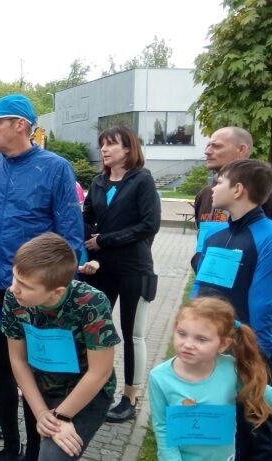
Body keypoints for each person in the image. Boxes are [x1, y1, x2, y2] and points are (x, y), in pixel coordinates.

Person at [0, 94, 84, 461]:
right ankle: (11, 446)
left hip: (35, 292)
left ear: (20, 125)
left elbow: (70, 238)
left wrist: (61, 292)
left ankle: (36, 451)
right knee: (0, 365)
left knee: (36, 370)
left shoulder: (55, 169)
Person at [190, 159, 272, 461]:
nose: (212, 187)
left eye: (219, 181)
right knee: (211, 422)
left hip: (247, 348)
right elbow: (200, 288)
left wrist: (260, 356)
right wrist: (189, 332)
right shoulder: (216, 235)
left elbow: (263, 303)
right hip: (208, 345)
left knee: (253, 428)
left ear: (238, 189)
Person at [4, 233, 120, 460]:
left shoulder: (91, 303)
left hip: (86, 391)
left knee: (53, 455)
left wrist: (62, 416)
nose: (14, 288)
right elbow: (18, 359)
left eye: (25, 285)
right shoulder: (14, 299)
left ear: (57, 291)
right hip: (41, 387)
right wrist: (41, 412)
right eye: (15, 278)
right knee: (35, 451)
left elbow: (100, 371)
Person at [78, 126, 161, 423]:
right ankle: (97, 390)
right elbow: (86, 217)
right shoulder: (98, 181)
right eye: (102, 144)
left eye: (111, 144)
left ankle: (130, 398)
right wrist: (86, 236)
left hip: (133, 269)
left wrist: (104, 240)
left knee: (132, 333)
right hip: (100, 269)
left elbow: (149, 225)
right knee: (95, 331)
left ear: (128, 148)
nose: (104, 149)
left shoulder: (142, 180)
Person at [149, 297, 272, 461]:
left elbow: (264, 393)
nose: (187, 344)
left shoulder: (230, 370)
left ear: (223, 344)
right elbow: (162, 428)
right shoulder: (159, 378)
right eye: (182, 334)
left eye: (201, 339)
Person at [193, 127, 272, 235]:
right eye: (208, 146)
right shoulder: (204, 195)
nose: (207, 152)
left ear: (241, 150)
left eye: (216, 146)